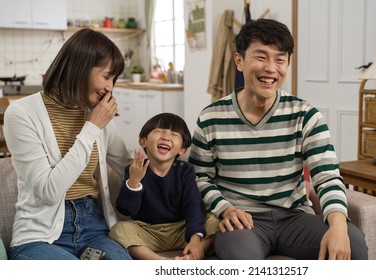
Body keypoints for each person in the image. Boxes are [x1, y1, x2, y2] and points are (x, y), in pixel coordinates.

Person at [188, 18, 368, 260]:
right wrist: (226, 209)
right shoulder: (211, 118)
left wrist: (338, 226)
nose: (271, 68)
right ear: (239, 61)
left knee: (354, 242)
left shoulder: (306, 116)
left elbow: (327, 177)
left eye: (280, 59)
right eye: (261, 57)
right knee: (242, 258)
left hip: (294, 218)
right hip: (242, 221)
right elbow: (200, 178)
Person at [4, 28, 132, 260]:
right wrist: (91, 128)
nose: (110, 87)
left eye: (114, 79)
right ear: (80, 68)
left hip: (95, 228)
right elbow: (49, 192)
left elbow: (128, 164)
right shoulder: (21, 113)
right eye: (106, 76)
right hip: (40, 235)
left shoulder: (95, 113)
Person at [109, 113, 219, 260]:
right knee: (119, 229)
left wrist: (194, 238)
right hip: (148, 231)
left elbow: (193, 205)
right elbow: (126, 209)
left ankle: (195, 253)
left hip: (181, 229)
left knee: (214, 220)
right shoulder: (135, 168)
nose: (166, 137)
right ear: (143, 141)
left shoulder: (185, 171)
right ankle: (161, 261)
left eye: (174, 134)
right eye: (159, 131)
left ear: (182, 150)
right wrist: (134, 181)